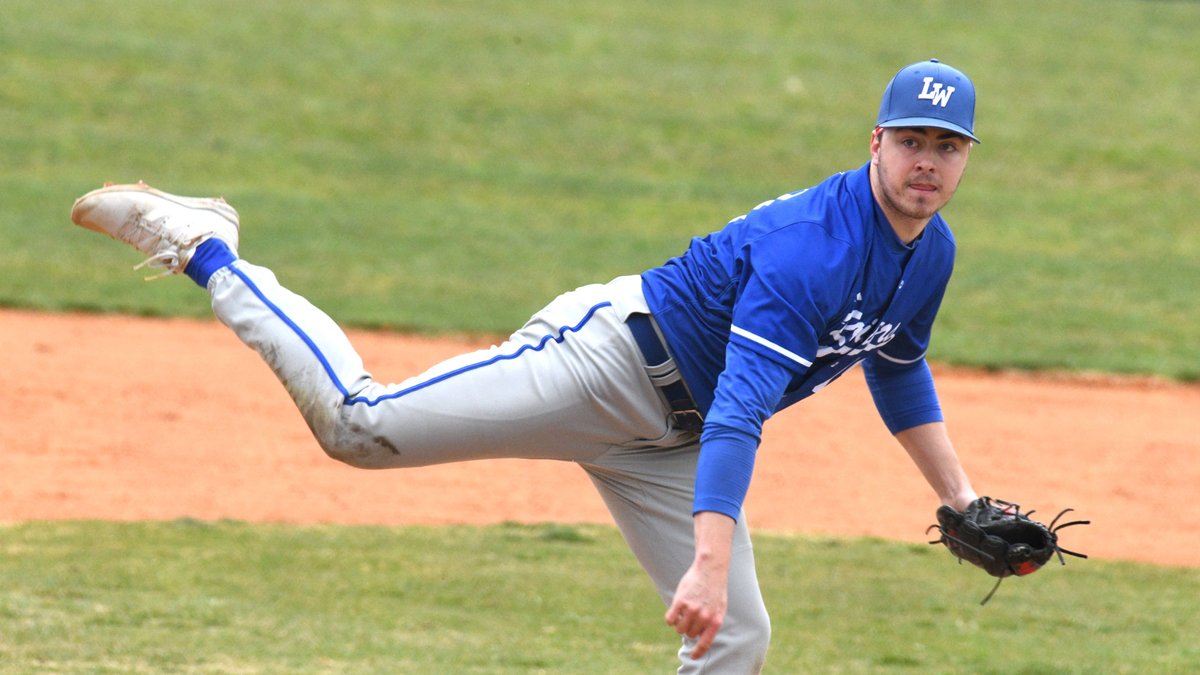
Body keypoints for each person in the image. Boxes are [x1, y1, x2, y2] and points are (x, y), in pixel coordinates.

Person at [71, 59, 983, 674]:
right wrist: (705, 561)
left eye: (946, 148)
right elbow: (746, 405)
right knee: (359, 427)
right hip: (608, 364)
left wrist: (962, 501)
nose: (926, 164)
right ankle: (206, 246)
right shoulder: (810, 249)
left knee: (738, 634)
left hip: (675, 441)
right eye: (911, 142)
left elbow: (895, 367)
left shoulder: (930, 251)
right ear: (875, 141)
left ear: (966, 159)